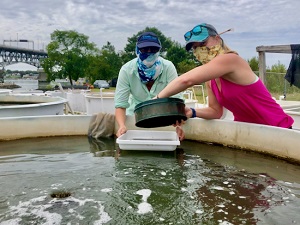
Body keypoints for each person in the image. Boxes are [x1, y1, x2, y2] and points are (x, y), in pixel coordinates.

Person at [154, 23, 294, 128]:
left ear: (218, 38)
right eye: (195, 48)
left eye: (203, 43)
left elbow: (186, 80)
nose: (200, 50)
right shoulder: (211, 80)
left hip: (278, 129)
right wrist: (192, 112)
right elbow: (215, 111)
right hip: (247, 132)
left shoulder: (231, 59)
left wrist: (156, 100)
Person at [114, 31, 184, 138]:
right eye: (145, 49)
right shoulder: (126, 70)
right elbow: (120, 104)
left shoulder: (168, 67)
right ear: (137, 50)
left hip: (164, 115)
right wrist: (122, 126)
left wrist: (179, 127)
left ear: (159, 51)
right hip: (135, 116)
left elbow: (176, 100)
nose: (149, 52)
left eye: (154, 49)